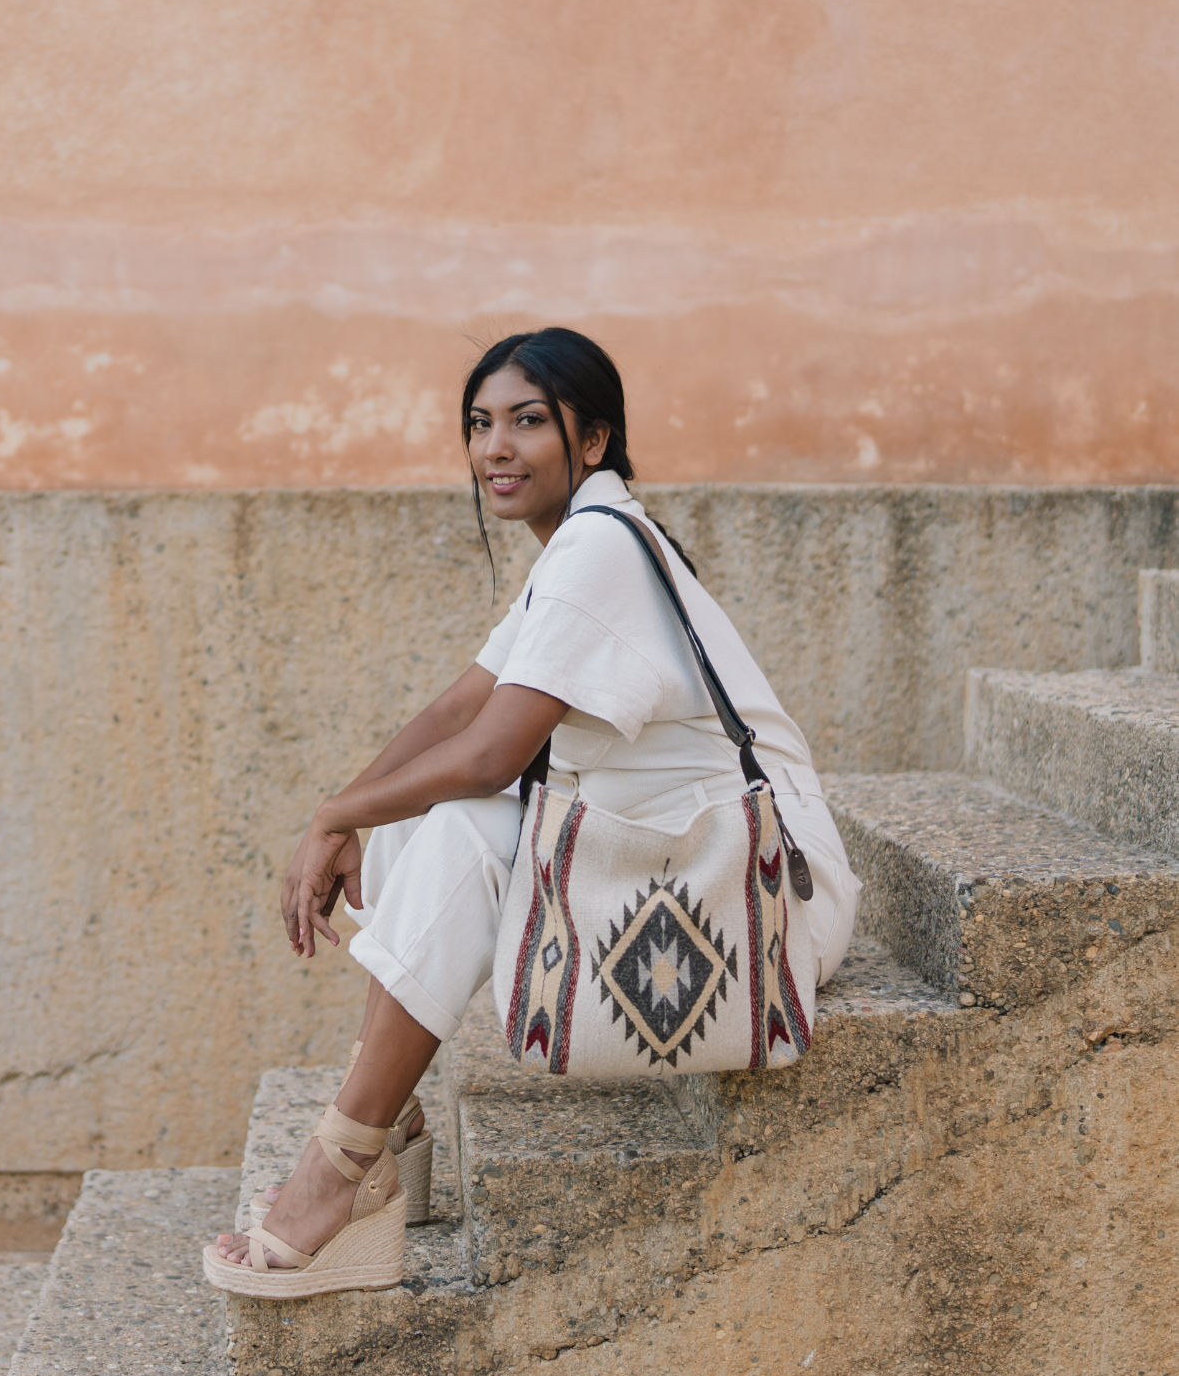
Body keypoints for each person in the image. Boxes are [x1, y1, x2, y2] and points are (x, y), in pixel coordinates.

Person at [202, 328, 860, 1299]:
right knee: (414, 827)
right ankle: (393, 1130)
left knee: (462, 821)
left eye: (526, 421)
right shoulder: (575, 547)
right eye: (479, 424)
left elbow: (489, 754)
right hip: (666, 858)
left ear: (591, 441)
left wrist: (329, 811)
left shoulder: (600, 545)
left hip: (759, 883)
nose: (495, 448)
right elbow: (457, 708)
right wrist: (348, 820)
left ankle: (342, 1166)